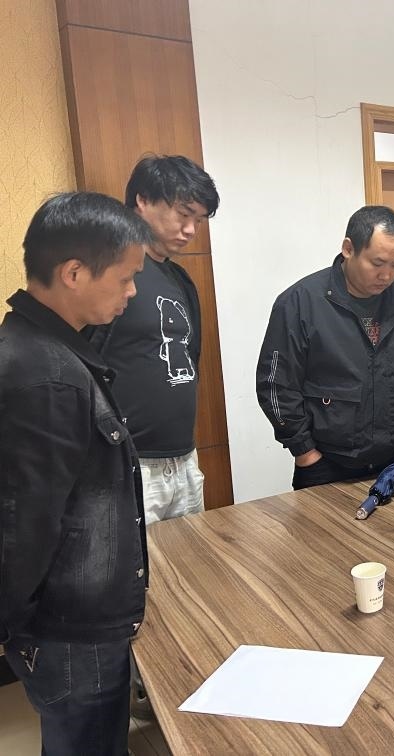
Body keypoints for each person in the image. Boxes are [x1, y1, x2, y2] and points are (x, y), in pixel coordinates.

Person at [0, 192, 154, 754]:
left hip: (75, 623)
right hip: (70, 631)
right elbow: (23, 526)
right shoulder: (47, 375)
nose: (131, 292)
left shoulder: (46, 350)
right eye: (125, 278)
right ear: (73, 273)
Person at [257, 205, 394, 489]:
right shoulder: (301, 302)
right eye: (377, 263)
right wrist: (304, 451)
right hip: (325, 462)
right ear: (349, 249)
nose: (387, 275)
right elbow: (276, 385)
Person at [88, 154, 220, 524]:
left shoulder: (181, 280)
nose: (191, 229)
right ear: (142, 200)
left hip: (183, 459)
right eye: (184, 214)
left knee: (191, 557)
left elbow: (191, 358)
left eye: (199, 220)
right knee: (133, 561)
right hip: (127, 463)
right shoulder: (108, 273)